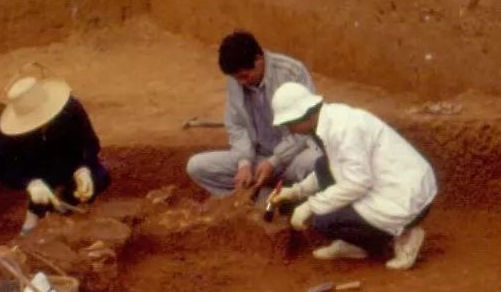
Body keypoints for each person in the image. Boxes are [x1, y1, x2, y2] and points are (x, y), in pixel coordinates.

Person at [269, 82, 436, 270]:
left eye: (289, 124)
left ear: (302, 116)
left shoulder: (343, 130)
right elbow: (334, 167)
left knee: (324, 220)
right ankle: (357, 244)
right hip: (387, 180)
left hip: (406, 195)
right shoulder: (327, 120)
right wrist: (296, 191)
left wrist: (310, 206)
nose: (289, 130)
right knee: (323, 166)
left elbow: (357, 183)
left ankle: (406, 234)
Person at [186, 30, 320, 198]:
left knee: (316, 162)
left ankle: (282, 197)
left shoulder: (291, 72)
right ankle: (249, 201)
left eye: (244, 76)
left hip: (294, 158)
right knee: (197, 166)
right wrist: (244, 164)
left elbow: (305, 128)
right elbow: (237, 126)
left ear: (258, 59)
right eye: (236, 78)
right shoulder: (236, 77)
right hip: (258, 159)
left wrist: (274, 162)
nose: (240, 83)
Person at [0, 75, 110, 235]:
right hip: (37, 170)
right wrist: (29, 183)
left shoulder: (71, 108)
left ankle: (75, 205)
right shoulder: (6, 133)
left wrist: (84, 168)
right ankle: (36, 212)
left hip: (72, 161)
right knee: (43, 198)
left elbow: (90, 142)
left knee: (99, 178)